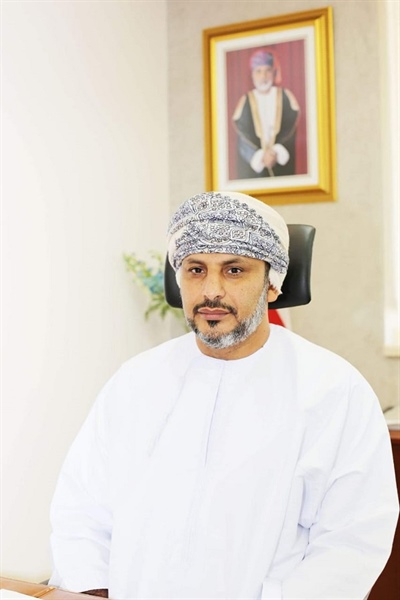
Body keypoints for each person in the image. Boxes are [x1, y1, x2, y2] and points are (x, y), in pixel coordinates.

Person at [49, 191, 399, 600]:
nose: (211, 291)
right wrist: (92, 592)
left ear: (272, 285)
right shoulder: (133, 382)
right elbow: (81, 509)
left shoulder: (334, 390)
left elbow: (352, 540)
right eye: (196, 270)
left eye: (234, 270)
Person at [232, 49, 300, 179]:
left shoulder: (285, 96)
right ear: (252, 75)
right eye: (258, 71)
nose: (263, 76)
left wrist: (275, 152)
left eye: (267, 71)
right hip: (255, 170)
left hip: (281, 166)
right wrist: (261, 157)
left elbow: (291, 128)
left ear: (273, 73)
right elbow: (242, 135)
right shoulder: (246, 101)